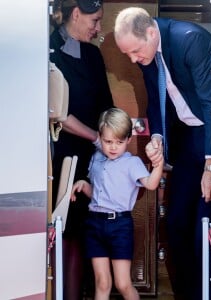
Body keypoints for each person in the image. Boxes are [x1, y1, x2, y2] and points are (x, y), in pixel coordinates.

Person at [114, 7, 211, 300]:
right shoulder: (147, 51)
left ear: (150, 32)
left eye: (135, 51)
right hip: (186, 142)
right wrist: (157, 137)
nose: (134, 60)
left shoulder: (190, 40)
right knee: (175, 225)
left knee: (202, 229)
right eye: (127, 55)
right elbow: (155, 101)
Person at [49, 0, 114, 299]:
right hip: (59, 156)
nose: (99, 28)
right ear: (76, 14)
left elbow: (106, 108)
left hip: (93, 156)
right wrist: (96, 139)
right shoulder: (47, 47)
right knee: (66, 231)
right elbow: (56, 113)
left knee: (88, 232)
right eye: (95, 20)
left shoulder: (92, 54)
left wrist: (113, 144)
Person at [70, 107, 164, 300]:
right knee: (102, 283)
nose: (113, 147)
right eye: (108, 141)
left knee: (122, 284)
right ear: (100, 137)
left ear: (129, 140)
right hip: (94, 224)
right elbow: (97, 194)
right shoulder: (96, 158)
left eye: (119, 142)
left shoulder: (132, 163)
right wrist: (83, 185)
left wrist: (159, 164)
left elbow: (151, 184)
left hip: (120, 226)